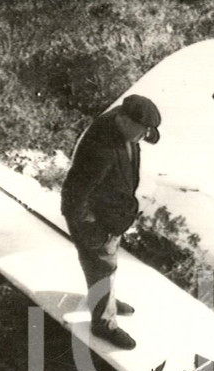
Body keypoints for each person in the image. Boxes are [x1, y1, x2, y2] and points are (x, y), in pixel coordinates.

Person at [61, 94, 162, 350]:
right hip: (96, 221)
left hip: (111, 215)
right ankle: (104, 323)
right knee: (102, 266)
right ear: (124, 120)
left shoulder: (123, 124)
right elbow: (76, 192)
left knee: (105, 265)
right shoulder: (100, 149)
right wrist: (90, 223)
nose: (143, 137)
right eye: (141, 131)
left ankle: (106, 300)